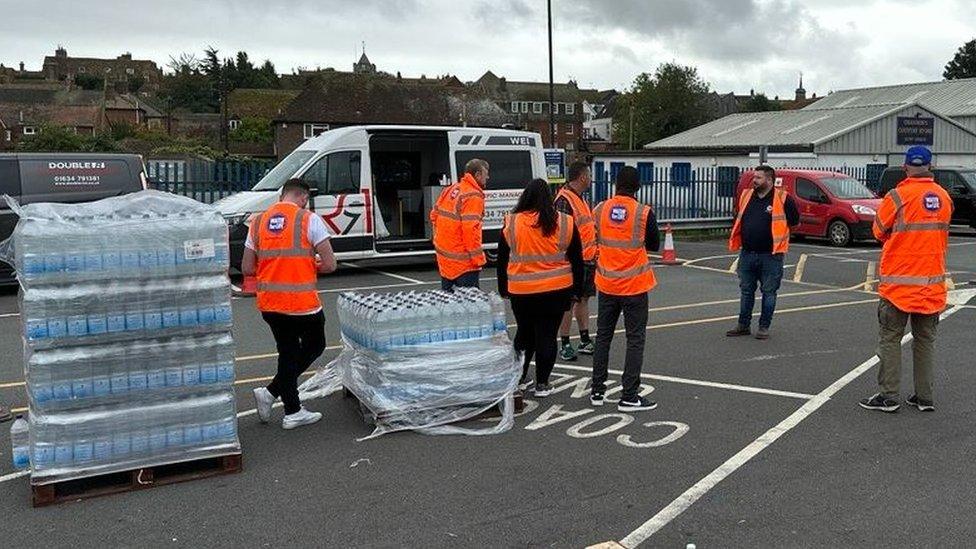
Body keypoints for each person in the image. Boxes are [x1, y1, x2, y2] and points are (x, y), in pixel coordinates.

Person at [860, 146, 952, 413]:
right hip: (931, 285)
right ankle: (924, 397)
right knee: (925, 342)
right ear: (930, 167)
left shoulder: (897, 196)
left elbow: (878, 231)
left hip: (898, 286)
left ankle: (888, 396)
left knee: (890, 339)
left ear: (905, 167)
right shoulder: (944, 197)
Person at [243, 179, 338, 430]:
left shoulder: (258, 221)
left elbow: (245, 267)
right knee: (315, 345)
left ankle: (277, 397)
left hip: (269, 303)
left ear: (282, 196)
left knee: (288, 352)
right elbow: (330, 264)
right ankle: (287, 406)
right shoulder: (308, 219)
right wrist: (309, 264)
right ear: (303, 197)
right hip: (301, 303)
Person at [497, 179, 584, 397]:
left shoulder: (512, 222)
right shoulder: (564, 222)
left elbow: (501, 260)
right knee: (547, 335)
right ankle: (543, 383)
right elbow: (577, 259)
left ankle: (518, 378)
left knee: (524, 334)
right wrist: (577, 291)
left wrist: (503, 288)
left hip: (521, 291)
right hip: (556, 289)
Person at [591, 166, 660, 412]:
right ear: (637, 187)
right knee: (635, 340)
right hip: (634, 286)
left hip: (607, 284)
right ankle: (629, 395)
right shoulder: (643, 212)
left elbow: (593, 238)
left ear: (615, 184)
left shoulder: (599, 209)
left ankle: (597, 390)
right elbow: (654, 244)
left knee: (603, 337)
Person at [725, 165, 800, 340]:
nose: (754, 181)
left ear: (769, 180)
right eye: (754, 177)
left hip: (771, 255)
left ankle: (764, 327)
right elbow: (739, 217)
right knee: (746, 291)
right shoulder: (746, 195)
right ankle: (743, 325)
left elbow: (795, 223)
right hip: (748, 253)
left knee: (769, 292)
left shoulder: (783, 199)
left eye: (758, 178)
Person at [555, 161, 598, 361]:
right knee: (569, 302)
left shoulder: (578, 198)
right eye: (588, 175)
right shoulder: (564, 200)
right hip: (573, 261)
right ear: (582, 177)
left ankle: (584, 339)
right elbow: (562, 233)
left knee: (583, 299)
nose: (590, 179)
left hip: (587, 259)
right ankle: (564, 342)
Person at [430, 159, 488, 291]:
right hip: (464, 265)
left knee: (450, 307)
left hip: (445, 261)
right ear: (478, 174)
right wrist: (478, 260)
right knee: (469, 307)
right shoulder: (473, 195)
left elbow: (433, 216)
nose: (488, 177)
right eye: (486, 174)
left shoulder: (450, 189)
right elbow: (470, 231)